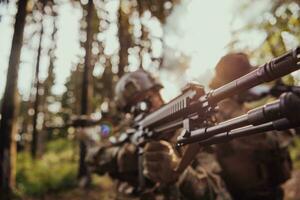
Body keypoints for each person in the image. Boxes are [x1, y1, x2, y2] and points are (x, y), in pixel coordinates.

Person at [86, 69, 231, 200]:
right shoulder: (128, 134)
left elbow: (219, 193)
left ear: (159, 95)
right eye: (133, 108)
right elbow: (91, 158)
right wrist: (118, 158)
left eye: (146, 101)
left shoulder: (191, 135)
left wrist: (180, 175)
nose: (143, 111)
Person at [209, 53, 293, 200]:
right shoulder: (224, 112)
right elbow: (266, 141)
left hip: (270, 189)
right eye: (248, 81)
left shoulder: (240, 107)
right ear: (235, 84)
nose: (253, 86)